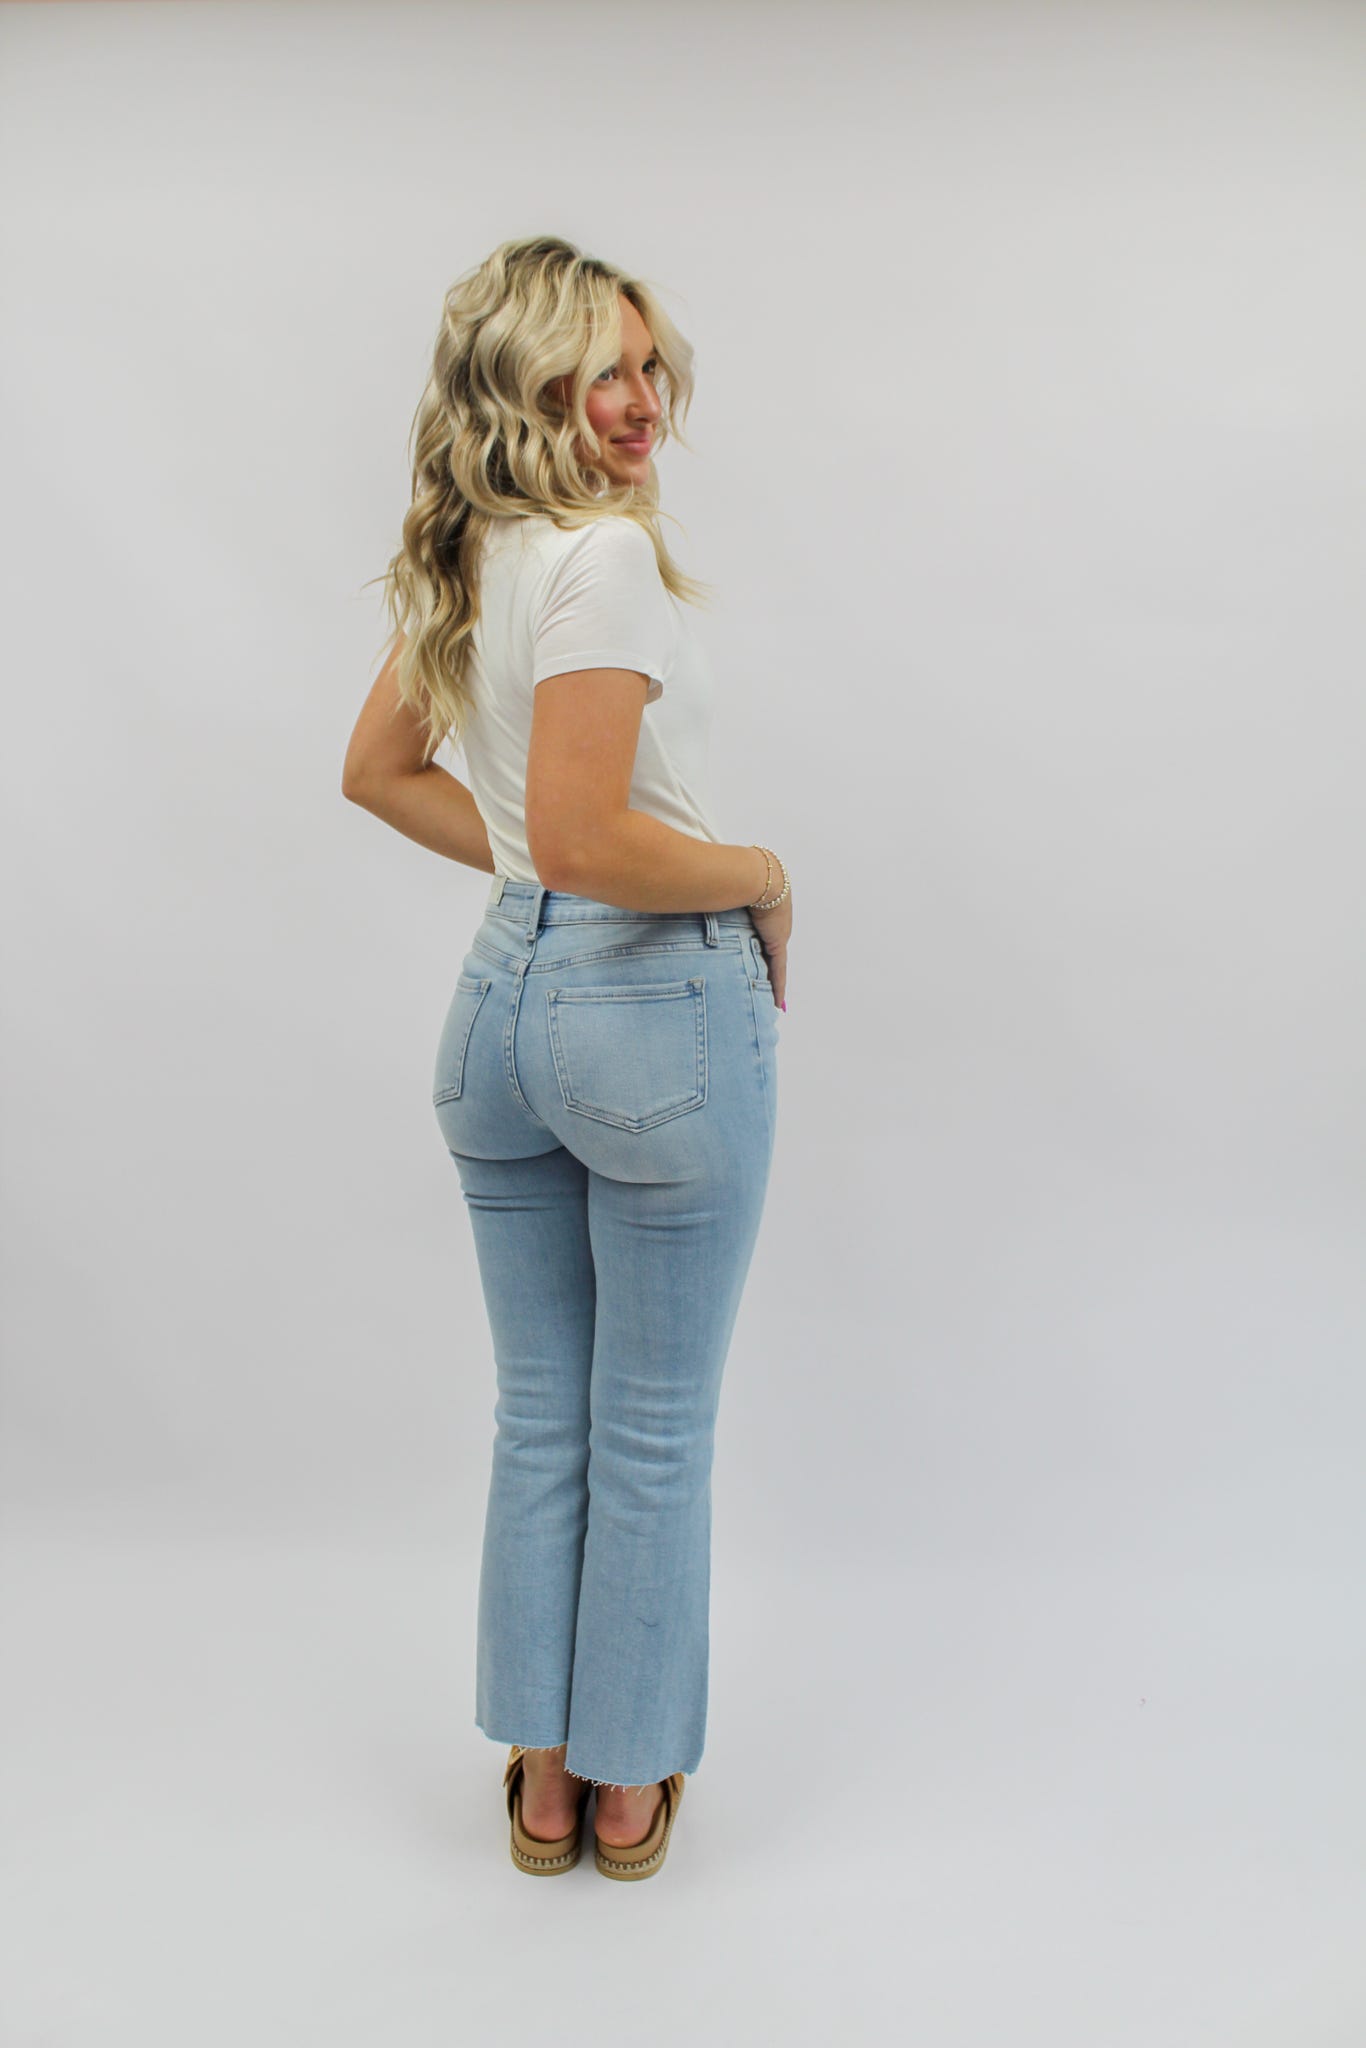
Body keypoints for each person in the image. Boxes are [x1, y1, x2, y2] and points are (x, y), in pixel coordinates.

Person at [341, 234, 791, 1881]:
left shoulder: (476, 551)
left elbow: (380, 772)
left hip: (498, 1018)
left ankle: (541, 1778)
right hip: (648, 1012)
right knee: (650, 1424)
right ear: (524, 382)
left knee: (542, 1413)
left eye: (649, 366)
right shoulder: (599, 556)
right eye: (602, 369)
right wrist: (759, 876)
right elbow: (594, 836)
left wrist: (535, 864)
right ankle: (621, 1788)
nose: (639, 401)